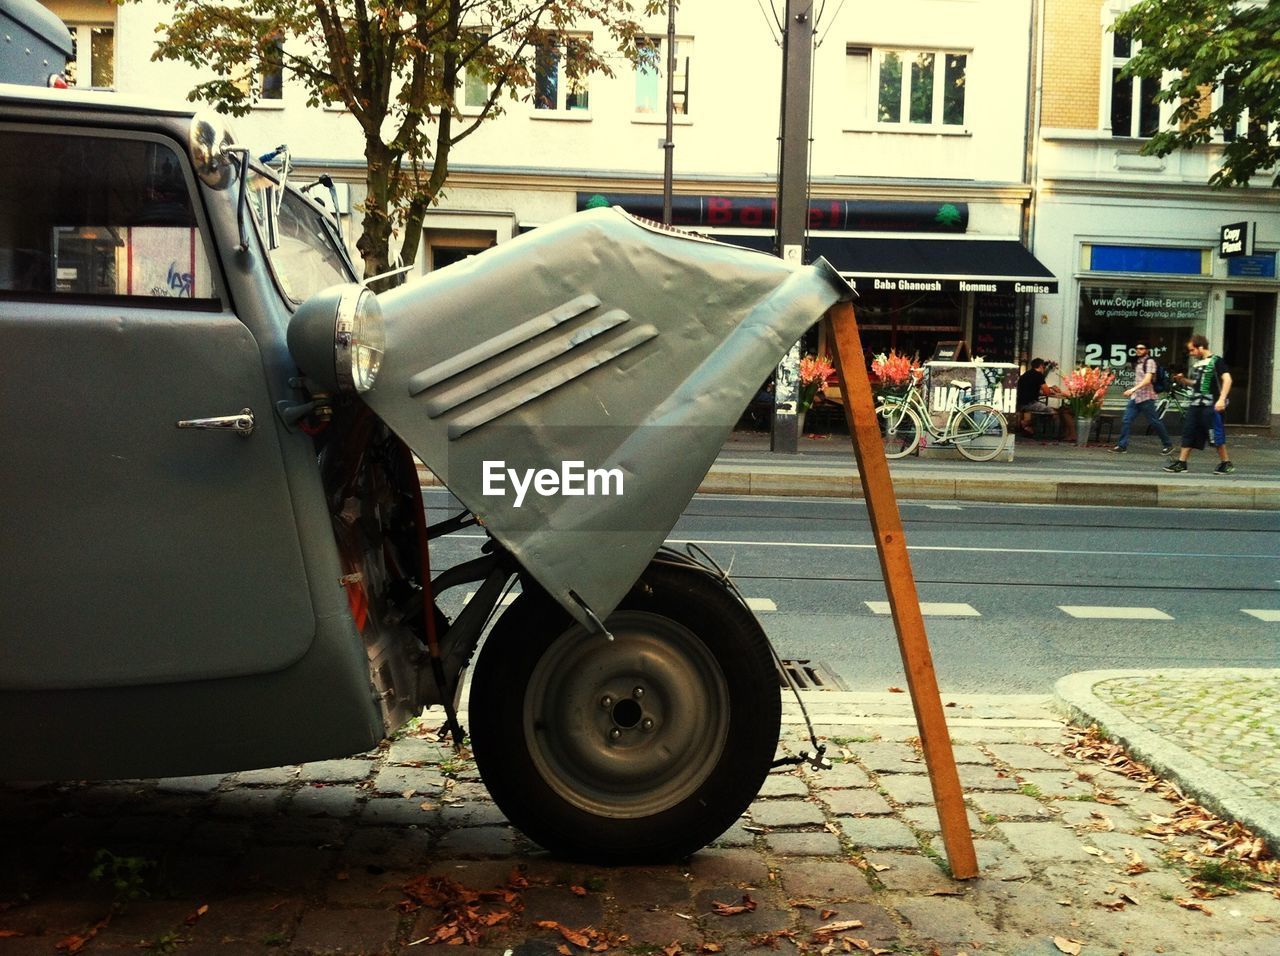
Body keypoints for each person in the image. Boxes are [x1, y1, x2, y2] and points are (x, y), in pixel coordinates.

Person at [1163, 334, 1234, 474]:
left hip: (1210, 406)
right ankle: (1182, 463)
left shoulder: (1216, 361)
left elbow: (1228, 379)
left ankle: (1226, 463)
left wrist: (1221, 399)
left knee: (1215, 434)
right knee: (1188, 431)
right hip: (1195, 405)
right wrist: (1184, 380)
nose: (1191, 353)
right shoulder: (1198, 363)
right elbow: (1197, 384)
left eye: (1192, 350)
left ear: (1200, 347)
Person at [1110, 343, 1173, 455]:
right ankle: (1122, 445)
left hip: (1146, 397)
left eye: (1141, 348)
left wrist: (1132, 389)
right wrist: (1134, 391)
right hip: (1136, 397)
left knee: (1154, 422)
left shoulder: (1150, 362)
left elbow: (1147, 380)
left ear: (1147, 350)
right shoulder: (1139, 362)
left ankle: (1168, 445)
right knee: (1126, 420)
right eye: (1137, 348)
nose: (1138, 350)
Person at [1016, 358, 1076, 441]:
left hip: (1020, 403)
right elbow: (1047, 392)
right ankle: (1054, 435)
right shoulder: (1038, 375)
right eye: (1044, 367)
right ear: (1041, 366)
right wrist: (1053, 390)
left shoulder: (1026, 374)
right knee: (1055, 413)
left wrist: (1050, 389)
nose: (1044, 369)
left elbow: (1032, 389)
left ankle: (1026, 423)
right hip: (1030, 403)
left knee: (1047, 411)